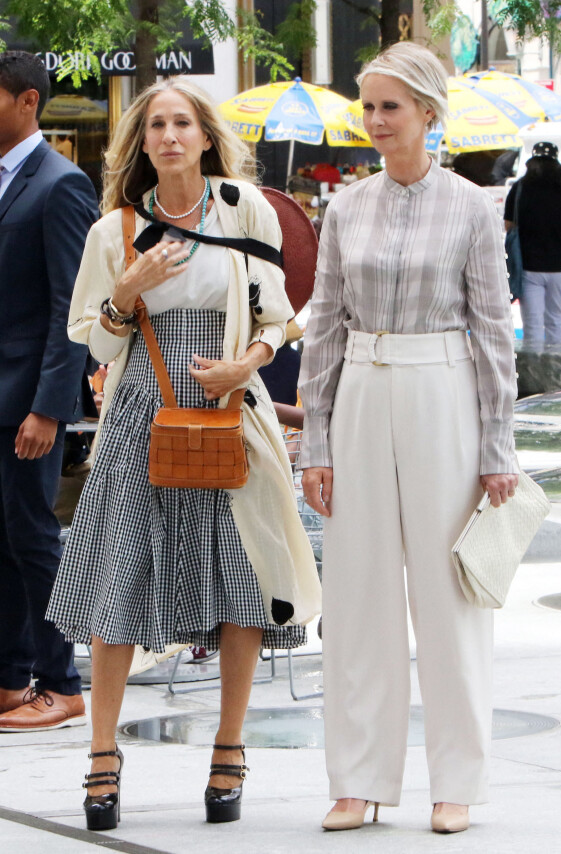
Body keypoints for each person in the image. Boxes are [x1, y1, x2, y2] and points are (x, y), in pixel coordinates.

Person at [45, 76, 321, 832]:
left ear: (204, 137)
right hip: (143, 409)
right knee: (119, 576)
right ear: (142, 143)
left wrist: (246, 364)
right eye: (156, 126)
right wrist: (125, 292)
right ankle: (102, 754)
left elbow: (279, 316)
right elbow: (94, 341)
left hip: (231, 405)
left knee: (241, 581)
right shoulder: (115, 232)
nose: (169, 136)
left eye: (182, 124)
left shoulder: (245, 209)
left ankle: (229, 749)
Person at [299, 42, 518, 835]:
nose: (376, 121)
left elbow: (494, 331)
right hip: (360, 389)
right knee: (356, 595)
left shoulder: (473, 207)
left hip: (443, 390)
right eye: (370, 106)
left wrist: (499, 447)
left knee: (449, 592)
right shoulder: (346, 209)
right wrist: (314, 441)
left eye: (391, 106)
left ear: (428, 112)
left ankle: (454, 781)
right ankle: (357, 780)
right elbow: (323, 326)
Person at [0, 52, 98, 732]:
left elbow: (75, 305)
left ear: (27, 101)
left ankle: (62, 682)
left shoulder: (61, 184)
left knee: (35, 536)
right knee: (1, 539)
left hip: (29, 399)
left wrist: (48, 407)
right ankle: (11, 678)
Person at [505, 141, 561, 351]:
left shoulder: (519, 189)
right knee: (556, 319)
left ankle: (534, 374)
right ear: (556, 162)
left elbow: (509, 225)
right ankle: (557, 372)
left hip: (529, 267)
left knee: (532, 325)